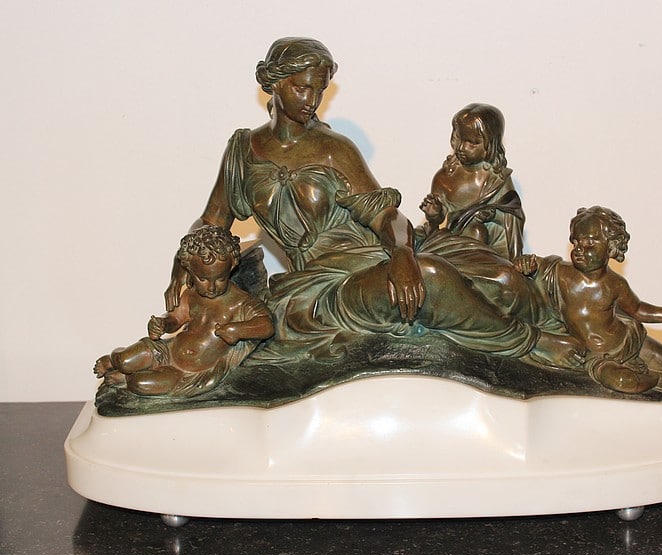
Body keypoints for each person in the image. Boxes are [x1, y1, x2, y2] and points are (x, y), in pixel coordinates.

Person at [164, 37, 580, 365]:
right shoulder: (243, 152)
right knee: (433, 280)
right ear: (273, 83)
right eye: (301, 87)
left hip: (375, 255)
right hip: (319, 287)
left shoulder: (335, 149)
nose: (311, 100)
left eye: (319, 90)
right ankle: (530, 343)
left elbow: (387, 217)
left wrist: (401, 254)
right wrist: (183, 264)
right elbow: (212, 221)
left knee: (504, 281)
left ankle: (585, 323)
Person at [515, 206, 662, 393]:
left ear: (611, 247)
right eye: (576, 243)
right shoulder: (559, 273)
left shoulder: (615, 284)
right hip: (596, 356)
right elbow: (534, 264)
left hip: (627, 341)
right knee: (624, 382)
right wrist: (525, 265)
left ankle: (653, 372)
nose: (580, 249)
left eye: (590, 243)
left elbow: (638, 309)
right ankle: (657, 379)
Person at [95, 226, 274, 396]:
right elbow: (175, 319)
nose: (211, 287)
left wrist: (237, 330)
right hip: (167, 351)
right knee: (124, 360)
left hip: (186, 372)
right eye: (203, 279)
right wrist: (163, 324)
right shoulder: (191, 295)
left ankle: (125, 378)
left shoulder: (241, 302)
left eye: (220, 279)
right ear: (189, 270)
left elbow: (266, 326)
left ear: (232, 266)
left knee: (140, 383)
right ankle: (113, 361)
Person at [419, 103, 524, 261]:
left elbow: (512, 216)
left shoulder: (498, 180)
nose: (461, 147)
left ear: (491, 145)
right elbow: (437, 223)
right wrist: (434, 214)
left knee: (477, 231)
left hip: (492, 250)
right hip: (453, 246)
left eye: (472, 143)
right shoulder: (444, 178)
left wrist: (491, 212)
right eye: (458, 138)